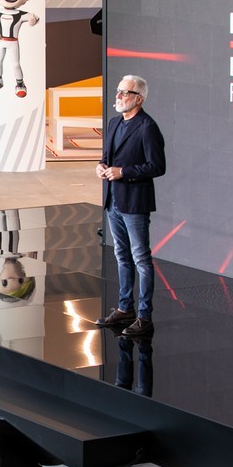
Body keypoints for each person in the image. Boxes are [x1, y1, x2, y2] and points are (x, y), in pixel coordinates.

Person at [94, 74, 167, 338]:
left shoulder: (147, 127)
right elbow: (106, 156)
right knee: (121, 256)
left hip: (135, 202)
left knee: (141, 259)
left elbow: (157, 166)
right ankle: (125, 308)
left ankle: (144, 316)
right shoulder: (114, 123)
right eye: (118, 91)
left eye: (125, 93)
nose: (119, 96)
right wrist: (101, 167)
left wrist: (123, 172)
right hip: (113, 199)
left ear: (139, 98)